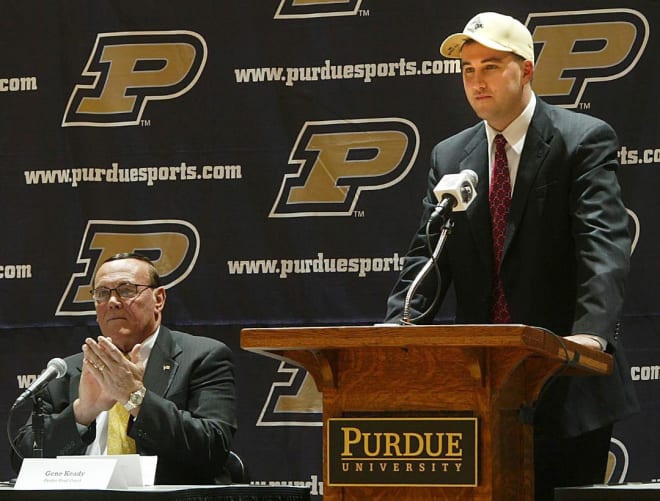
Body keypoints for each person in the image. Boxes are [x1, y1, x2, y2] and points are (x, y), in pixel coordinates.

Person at [384, 11, 639, 500]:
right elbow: (428, 255)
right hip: (482, 388)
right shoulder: (448, 156)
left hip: (564, 380)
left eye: (491, 66)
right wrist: (401, 327)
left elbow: (602, 244)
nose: (477, 81)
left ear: (526, 70)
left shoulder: (581, 140)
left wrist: (588, 337)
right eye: (468, 70)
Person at [12, 252, 237, 484]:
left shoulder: (203, 357)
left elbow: (213, 449)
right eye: (102, 294)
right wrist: (82, 414)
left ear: (158, 299)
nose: (113, 302)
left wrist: (136, 398)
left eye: (127, 290)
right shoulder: (67, 370)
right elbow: (23, 459)